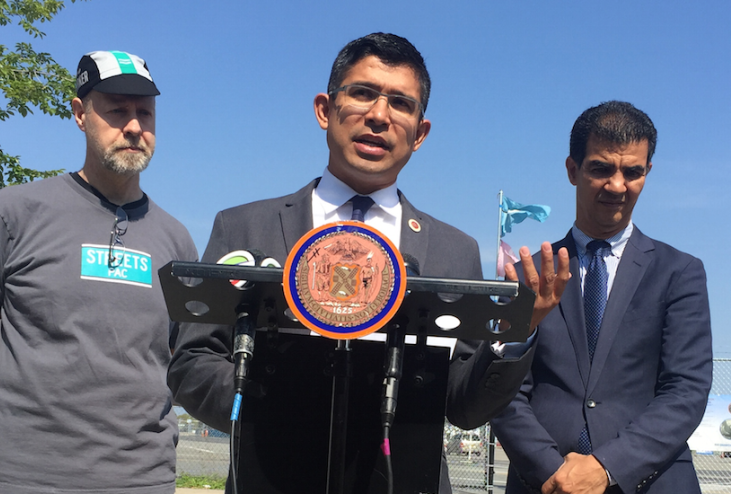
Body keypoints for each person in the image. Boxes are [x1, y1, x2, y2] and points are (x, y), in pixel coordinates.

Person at [167, 32, 568, 493]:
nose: (379, 115)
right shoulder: (244, 228)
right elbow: (192, 363)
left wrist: (513, 334)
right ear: (325, 108)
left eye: (401, 103)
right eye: (362, 93)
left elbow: (463, 404)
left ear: (420, 132)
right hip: (272, 477)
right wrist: (269, 402)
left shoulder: (453, 250)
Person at [0, 51, 198, 494]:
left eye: (145, 112)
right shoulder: (15, 211)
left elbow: (181, 355)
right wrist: (20, 421)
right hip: (17, 477)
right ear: (80, 114)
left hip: (139, 479)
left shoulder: (176, 240)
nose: (134, 126)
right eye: (117, 110)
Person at [491, 101, 712, 494]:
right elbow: (503, 388)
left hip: (651, 481)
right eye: (601, 168)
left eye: (632, 172)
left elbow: (686, 391)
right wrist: (553, 471)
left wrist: (607, 467)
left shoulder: (679, 272)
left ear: (647, 173)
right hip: (545, 482)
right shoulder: (532, 276)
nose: (617, 185)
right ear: (573, 170)